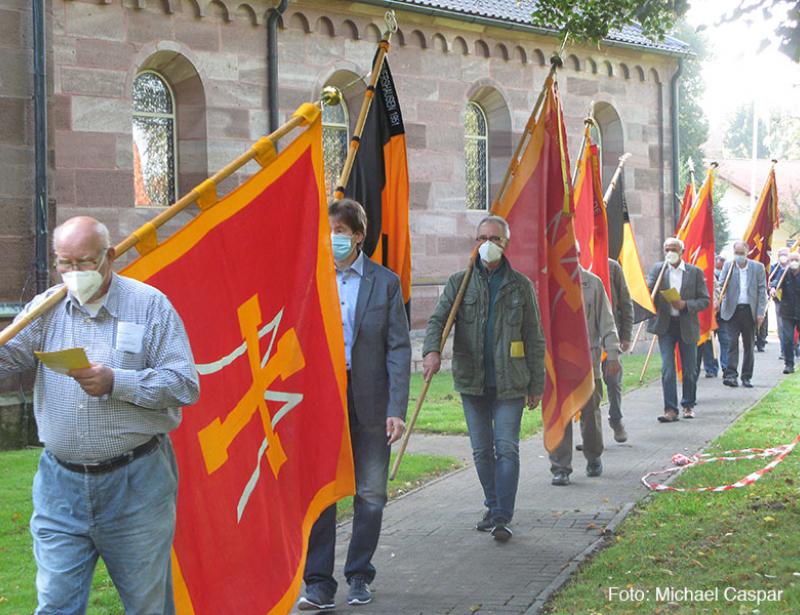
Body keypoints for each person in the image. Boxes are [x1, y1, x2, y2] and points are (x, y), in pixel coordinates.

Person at [0, 216, 200, 614]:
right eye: (64, 263)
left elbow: (184, 385)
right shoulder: (46, 308)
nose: (74, 272)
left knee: (146, 605)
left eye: (85, 262)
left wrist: (116, 382)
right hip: (60, 486)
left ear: (110, 256)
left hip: (136, 482)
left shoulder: (149, 306)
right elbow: (9, 357)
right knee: (56, 605)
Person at [300, 199, 411, 610]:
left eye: (340, 232)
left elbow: (398, 348)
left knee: (370, 492)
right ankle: (318, 583)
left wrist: (396, 408)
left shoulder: (385, 283)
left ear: (358, 236)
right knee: (323, 492)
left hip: (371, 402)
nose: (332, 239)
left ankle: (359, 574)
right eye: (328, 232)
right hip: (323, 401)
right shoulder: (311, 279)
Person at [422, 215, 545, 541]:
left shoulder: (520, 286)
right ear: (475, 242)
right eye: (482, 238)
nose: (487, 244)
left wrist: (536, 384)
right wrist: (431, 351)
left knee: (507, 448)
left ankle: (502, 515)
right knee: (481, 451)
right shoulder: (459, 283)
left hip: (510, 381)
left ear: (506, 244)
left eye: (495, 238)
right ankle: (493, 505)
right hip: (472, 380)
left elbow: (534, 337)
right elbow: (437, 321)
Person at [551, 251, 621, 486]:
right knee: (561, 415)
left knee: (590, 415)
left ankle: (593, 456)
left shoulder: (593, 284)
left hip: (588, 362)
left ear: (579, 255)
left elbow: (607, 322)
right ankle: (560, 467)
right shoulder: (550, 284)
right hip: (559, 363)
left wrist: (613, 354)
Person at [647, 237, 710, 422]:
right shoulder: (658, 269)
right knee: (667, 368)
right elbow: (649, 291)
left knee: (690, 369)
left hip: (687, 325)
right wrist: (649, 293)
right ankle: (670, 409)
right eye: (667, 249)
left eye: (673, 249)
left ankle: (688, 404)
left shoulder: (694, 272)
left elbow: (704, 300)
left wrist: (685, 305)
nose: (670, 252)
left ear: (682, 251)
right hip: (665, 326)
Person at [718, 241, 767, 388]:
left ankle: (746, 376)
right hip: (732, 311)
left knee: (749, 345)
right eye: (736, 253)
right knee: (731, 343)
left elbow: (762, 291)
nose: (739, 256)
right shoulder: (728, 266)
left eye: (741, 253)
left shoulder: (758, 267)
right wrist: (719, 295)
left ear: (747, 252)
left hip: (749, 311)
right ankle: (731, 375)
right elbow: (721, 285)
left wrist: (760, 312)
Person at [603, 258, 633, 442]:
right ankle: (590, 432)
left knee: (613, 381)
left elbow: (625, 302)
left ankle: (616, 420)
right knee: (588, 388)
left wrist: (626, 335)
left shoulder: (612, 266)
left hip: (610, 334)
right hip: (585, 338)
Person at [771, 251, 800, 374]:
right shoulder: (784, 273)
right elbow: (775, 282)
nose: (794, 262)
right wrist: (773, 288)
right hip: (787, 311)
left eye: (796, 260)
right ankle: (789, 364)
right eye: (791, 260)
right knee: (788, 339)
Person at [771, 247, 790, 360]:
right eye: (781, 254)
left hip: (794, 302)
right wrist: (772, 287)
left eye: (785, 254)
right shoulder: (775, 268)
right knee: (782, 327)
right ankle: (784, 351)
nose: (783, 257)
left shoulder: (794, 267)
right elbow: (772, 281)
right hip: (780, 302)